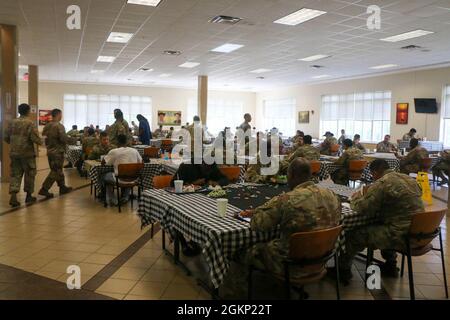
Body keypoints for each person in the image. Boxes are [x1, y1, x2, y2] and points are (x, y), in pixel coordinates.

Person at [221, 158, 341, 299]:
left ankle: (235, 296)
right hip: (321, 259)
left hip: (289, 263)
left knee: (240, 251)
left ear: (292, 175)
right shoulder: (332, 195)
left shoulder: (286, 199)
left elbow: (257, 224)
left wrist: (261, 210)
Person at [329, 159, 424, 283]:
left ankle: (343, 271)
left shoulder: (382, 183)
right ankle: (391, 265)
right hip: (418, 232)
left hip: (400, 235)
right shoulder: (409, 179)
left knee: (354, 234)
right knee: (385, 223)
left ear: (374, 172)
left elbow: (363, 208)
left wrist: (355, 199)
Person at [4, 103, 43, 207]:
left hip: (14, 154)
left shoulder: (12, 122)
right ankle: (29, 196)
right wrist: (41, 142)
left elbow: (5, 137)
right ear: (28, 111)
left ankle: (13, 197)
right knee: (30, 174)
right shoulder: (30, 123)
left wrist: (14, 144)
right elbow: (35, 138)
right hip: (27, 154)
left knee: (15, 175)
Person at [39, 109, 75, 198]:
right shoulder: (59, 126)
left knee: (58, 170)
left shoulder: (47, 126)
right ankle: (44, 189)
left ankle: (62, 187)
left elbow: (44, 137)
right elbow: (63, 138)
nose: (61, 116)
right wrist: (74, 140)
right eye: (61, 114)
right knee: (55, 171)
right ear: (58, 115)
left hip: (50, 151)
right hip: (58, 152)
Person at [102, 134, 142, 206]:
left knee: (105, 176)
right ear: (127, 142)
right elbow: (141, 163)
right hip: (134, 179)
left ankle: (113, 199)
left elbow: (104, 163)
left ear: (117, 142)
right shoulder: (135, 151)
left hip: (120, 179)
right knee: (129, 174)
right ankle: (125, 197)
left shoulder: (114, 151)